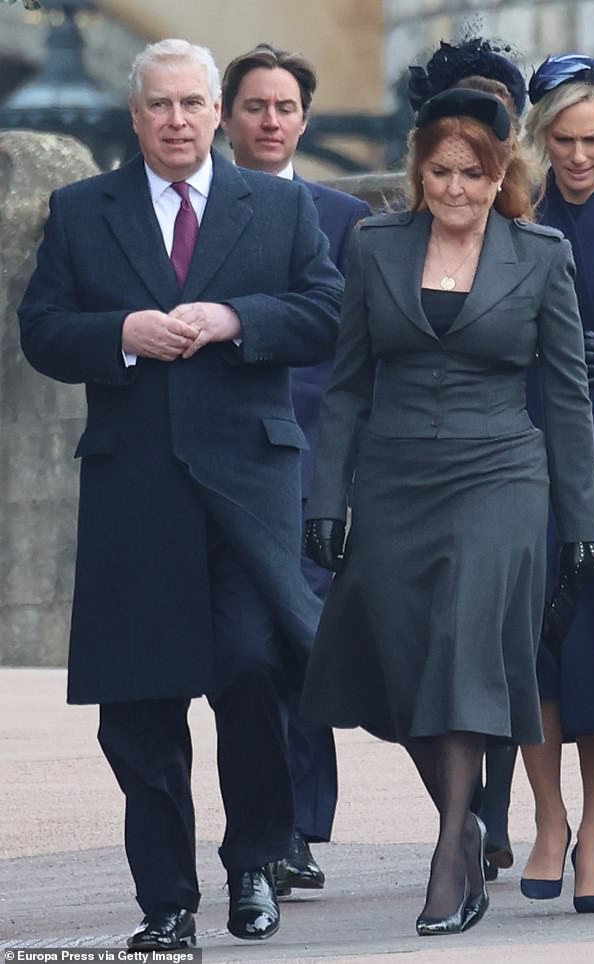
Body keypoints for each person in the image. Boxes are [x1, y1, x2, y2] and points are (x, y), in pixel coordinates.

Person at [17, 38, 343, 948]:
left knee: (251, 671)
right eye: (159, 105)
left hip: (248, 487)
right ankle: (166, 902)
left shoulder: (276, 208)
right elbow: (42, 330)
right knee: (142, 705)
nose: (176, 120)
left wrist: (237, 318)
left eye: (193, 104)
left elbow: (325, 310)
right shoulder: (83, 210)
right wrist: (121, 332)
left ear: (216, 112)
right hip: (136, 489)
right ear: (136, 115)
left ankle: (252, 867)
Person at [299, 86, 594, 937]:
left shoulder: (540, 255)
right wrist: (328, 499)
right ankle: (468, 818)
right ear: (418, 169)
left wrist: (584, 526)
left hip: (501, 474)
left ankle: (447, 855)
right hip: (394, 475)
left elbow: (570, 398)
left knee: (464, 645)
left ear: (500, 173)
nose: (458, 188)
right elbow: (348, 382)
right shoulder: (374, 246)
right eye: (441, 171)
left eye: (474, 173)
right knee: (399, 662)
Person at [221, 41, 371, 895]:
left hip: (315, 457)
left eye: (284, 108)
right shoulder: (193, 216)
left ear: (304, 120)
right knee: (245, 651)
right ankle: (267, 825)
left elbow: (357, 358)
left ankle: (300, 828)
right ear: (227, 118)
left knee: (305, 641)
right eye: (254, 106)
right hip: (222, 461)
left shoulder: (345, 218)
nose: (271, 120)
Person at [409, 35, 531, 883]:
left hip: (516, 455)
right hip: (414, 461)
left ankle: (488, 815)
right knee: (431, 645)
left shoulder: (532, 229)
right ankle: (471, 812)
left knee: (488, 639)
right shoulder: (396, 232)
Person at [519, 54, 594, 914]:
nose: (579, 155)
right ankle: (546, 818)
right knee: (531, 638)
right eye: (563, 139)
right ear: (539, 137)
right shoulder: (510, 213)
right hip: (526, 446)